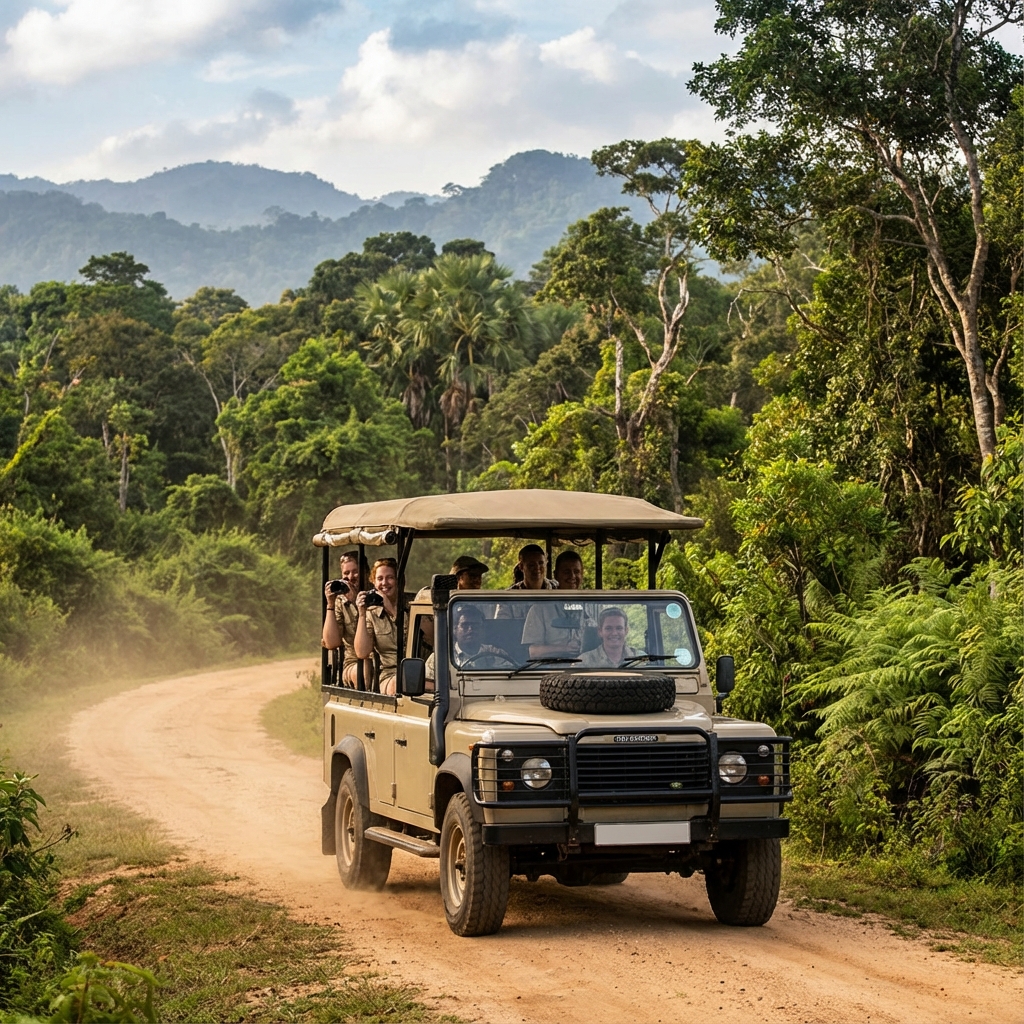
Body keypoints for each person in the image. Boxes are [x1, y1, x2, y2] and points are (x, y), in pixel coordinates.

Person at [521, 550, 594, 659]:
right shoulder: (539, 609)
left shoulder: (592, 605)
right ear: (556, 575)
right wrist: (564, 648)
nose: (572, 576)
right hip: (551, 669)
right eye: (566, 572)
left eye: (576, 571)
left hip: (587, 667)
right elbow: (533, 652)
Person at [354, 557, 402, 695]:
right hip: (391, 674)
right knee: (399, 684)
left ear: (399, 580)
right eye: (380, 579)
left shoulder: (412, 605)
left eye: (390, 578)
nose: (384, 583)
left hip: (420, 671)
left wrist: (392, 610)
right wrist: (362, 614)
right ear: (373, 583)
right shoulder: (371, 613)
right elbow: (362, 652)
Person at [321, 552, 371, 686]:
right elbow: (331, 643)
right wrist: (330, 604)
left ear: (366, 573)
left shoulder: (376, 595)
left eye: (355, 572)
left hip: (382, 660)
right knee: (364, 667)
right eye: (346, 573)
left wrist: (357, 602)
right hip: (354, 661)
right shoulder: (340, 601)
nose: (350, 578)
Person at [425, 605, 511, 681]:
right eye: (465, 625)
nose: (470, 629)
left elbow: (512, 676)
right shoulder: (440, 659)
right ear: (455, 629)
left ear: (483, 630)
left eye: (476, 625)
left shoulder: (495, 654)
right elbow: (429, 687)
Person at [495, 544, 556, 619]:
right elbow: (502, 626)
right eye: (531, 565)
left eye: (541, 563)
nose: (537, 568)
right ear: (521, 566)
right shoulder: (508, 598)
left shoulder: (556, 589)